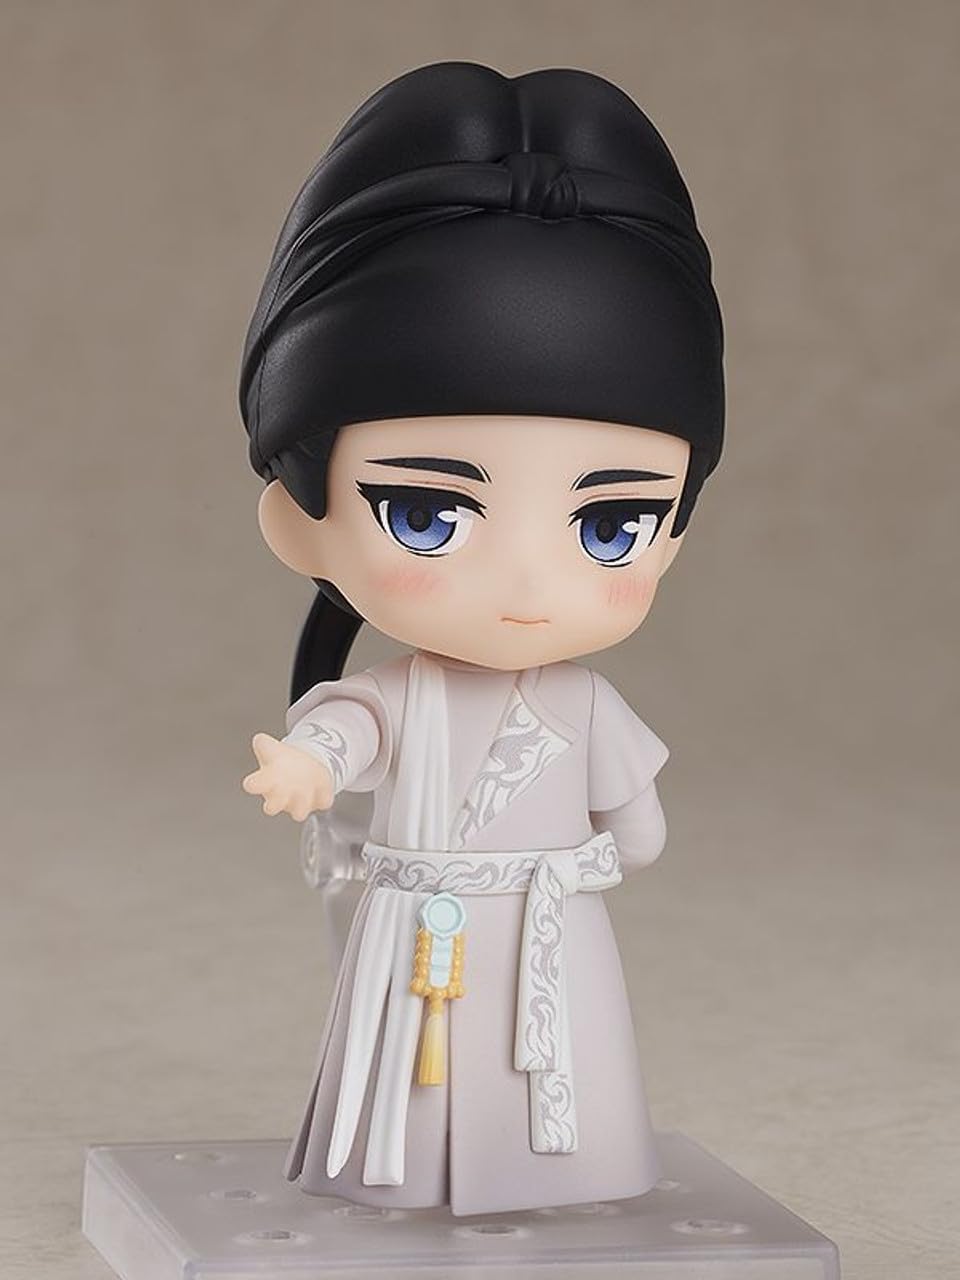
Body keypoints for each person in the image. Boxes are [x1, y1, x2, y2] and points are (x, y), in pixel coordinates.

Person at [238, 61, 724, 1217]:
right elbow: (352, 728)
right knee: (420, 1080)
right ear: (300, 519)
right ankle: (408, 1181)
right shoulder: (405, 694)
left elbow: (639, 826)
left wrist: (580, 863)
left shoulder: (586, 705)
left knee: (562, 1079)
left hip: (551, 925)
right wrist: (310, 761)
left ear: (670, 538)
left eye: (610, 526)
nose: (526, 583)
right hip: (423, 926)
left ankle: (570, 1176)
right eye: (428, 513)